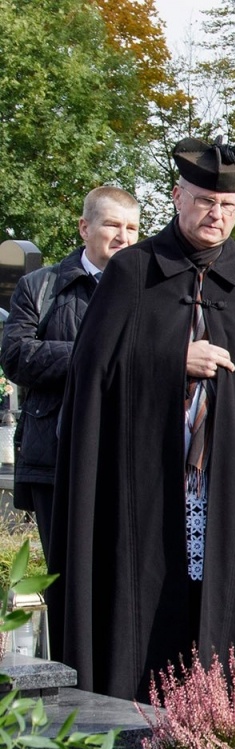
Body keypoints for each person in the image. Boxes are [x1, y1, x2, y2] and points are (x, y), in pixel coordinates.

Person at [50, 137, 235, 729]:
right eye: (206, 201)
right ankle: (138, 721)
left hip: (228, 487)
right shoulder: (132, 274)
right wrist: (169, 360)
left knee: (228, 597)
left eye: (229, 208)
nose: (217, 216)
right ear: (177, 196)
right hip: (148, 488)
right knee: (150, 602)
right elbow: (89, 375)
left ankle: (230, 726)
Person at [1, 186, 140, 571]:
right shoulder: (41, 287)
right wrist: (96, 356)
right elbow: (15, 356)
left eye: (132, 228)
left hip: (129, 455)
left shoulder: (153, 290)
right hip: (56, 456)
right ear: (84, 228)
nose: (123, 237)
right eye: (112, 224)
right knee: (67, 577)